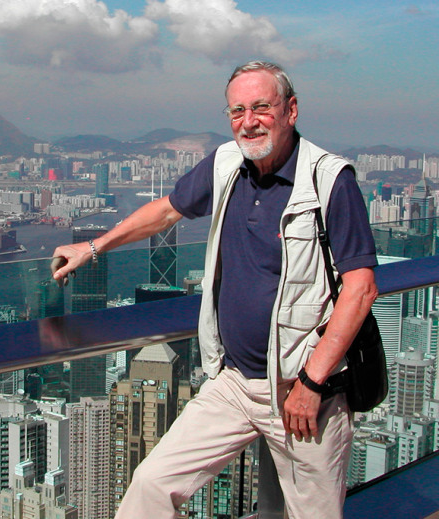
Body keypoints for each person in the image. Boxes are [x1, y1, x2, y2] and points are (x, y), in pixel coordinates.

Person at [51, 61, 377, 519]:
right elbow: (166, 211)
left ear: (291, 110)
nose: (249, 121)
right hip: (233, 383)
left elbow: (360, 289)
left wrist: (310, 382)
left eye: (262, 107)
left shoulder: (329, 180)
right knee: (150, 487)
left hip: (305, 393)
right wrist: (94, 245)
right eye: (237, 110)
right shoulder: (227, 163)